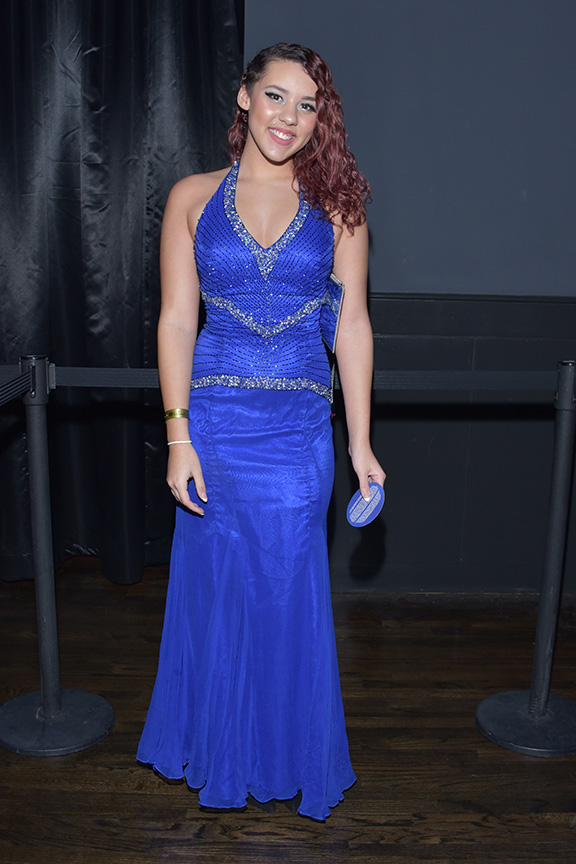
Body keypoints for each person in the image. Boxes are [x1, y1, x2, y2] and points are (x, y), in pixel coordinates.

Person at [137, 42, 385, 822]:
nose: (289, 117)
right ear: (245, 97)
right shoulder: (192, 197)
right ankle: (221, 753)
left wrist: (360, 444)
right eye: (276, 96)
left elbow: (352, 326)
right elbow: (177, 322)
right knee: (215, 597)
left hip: (299, 436)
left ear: (320, 119)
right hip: (213, 430)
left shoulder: (338, 206)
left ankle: (280, 757)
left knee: (284, 599)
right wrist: (178, 438)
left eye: (308, 105)